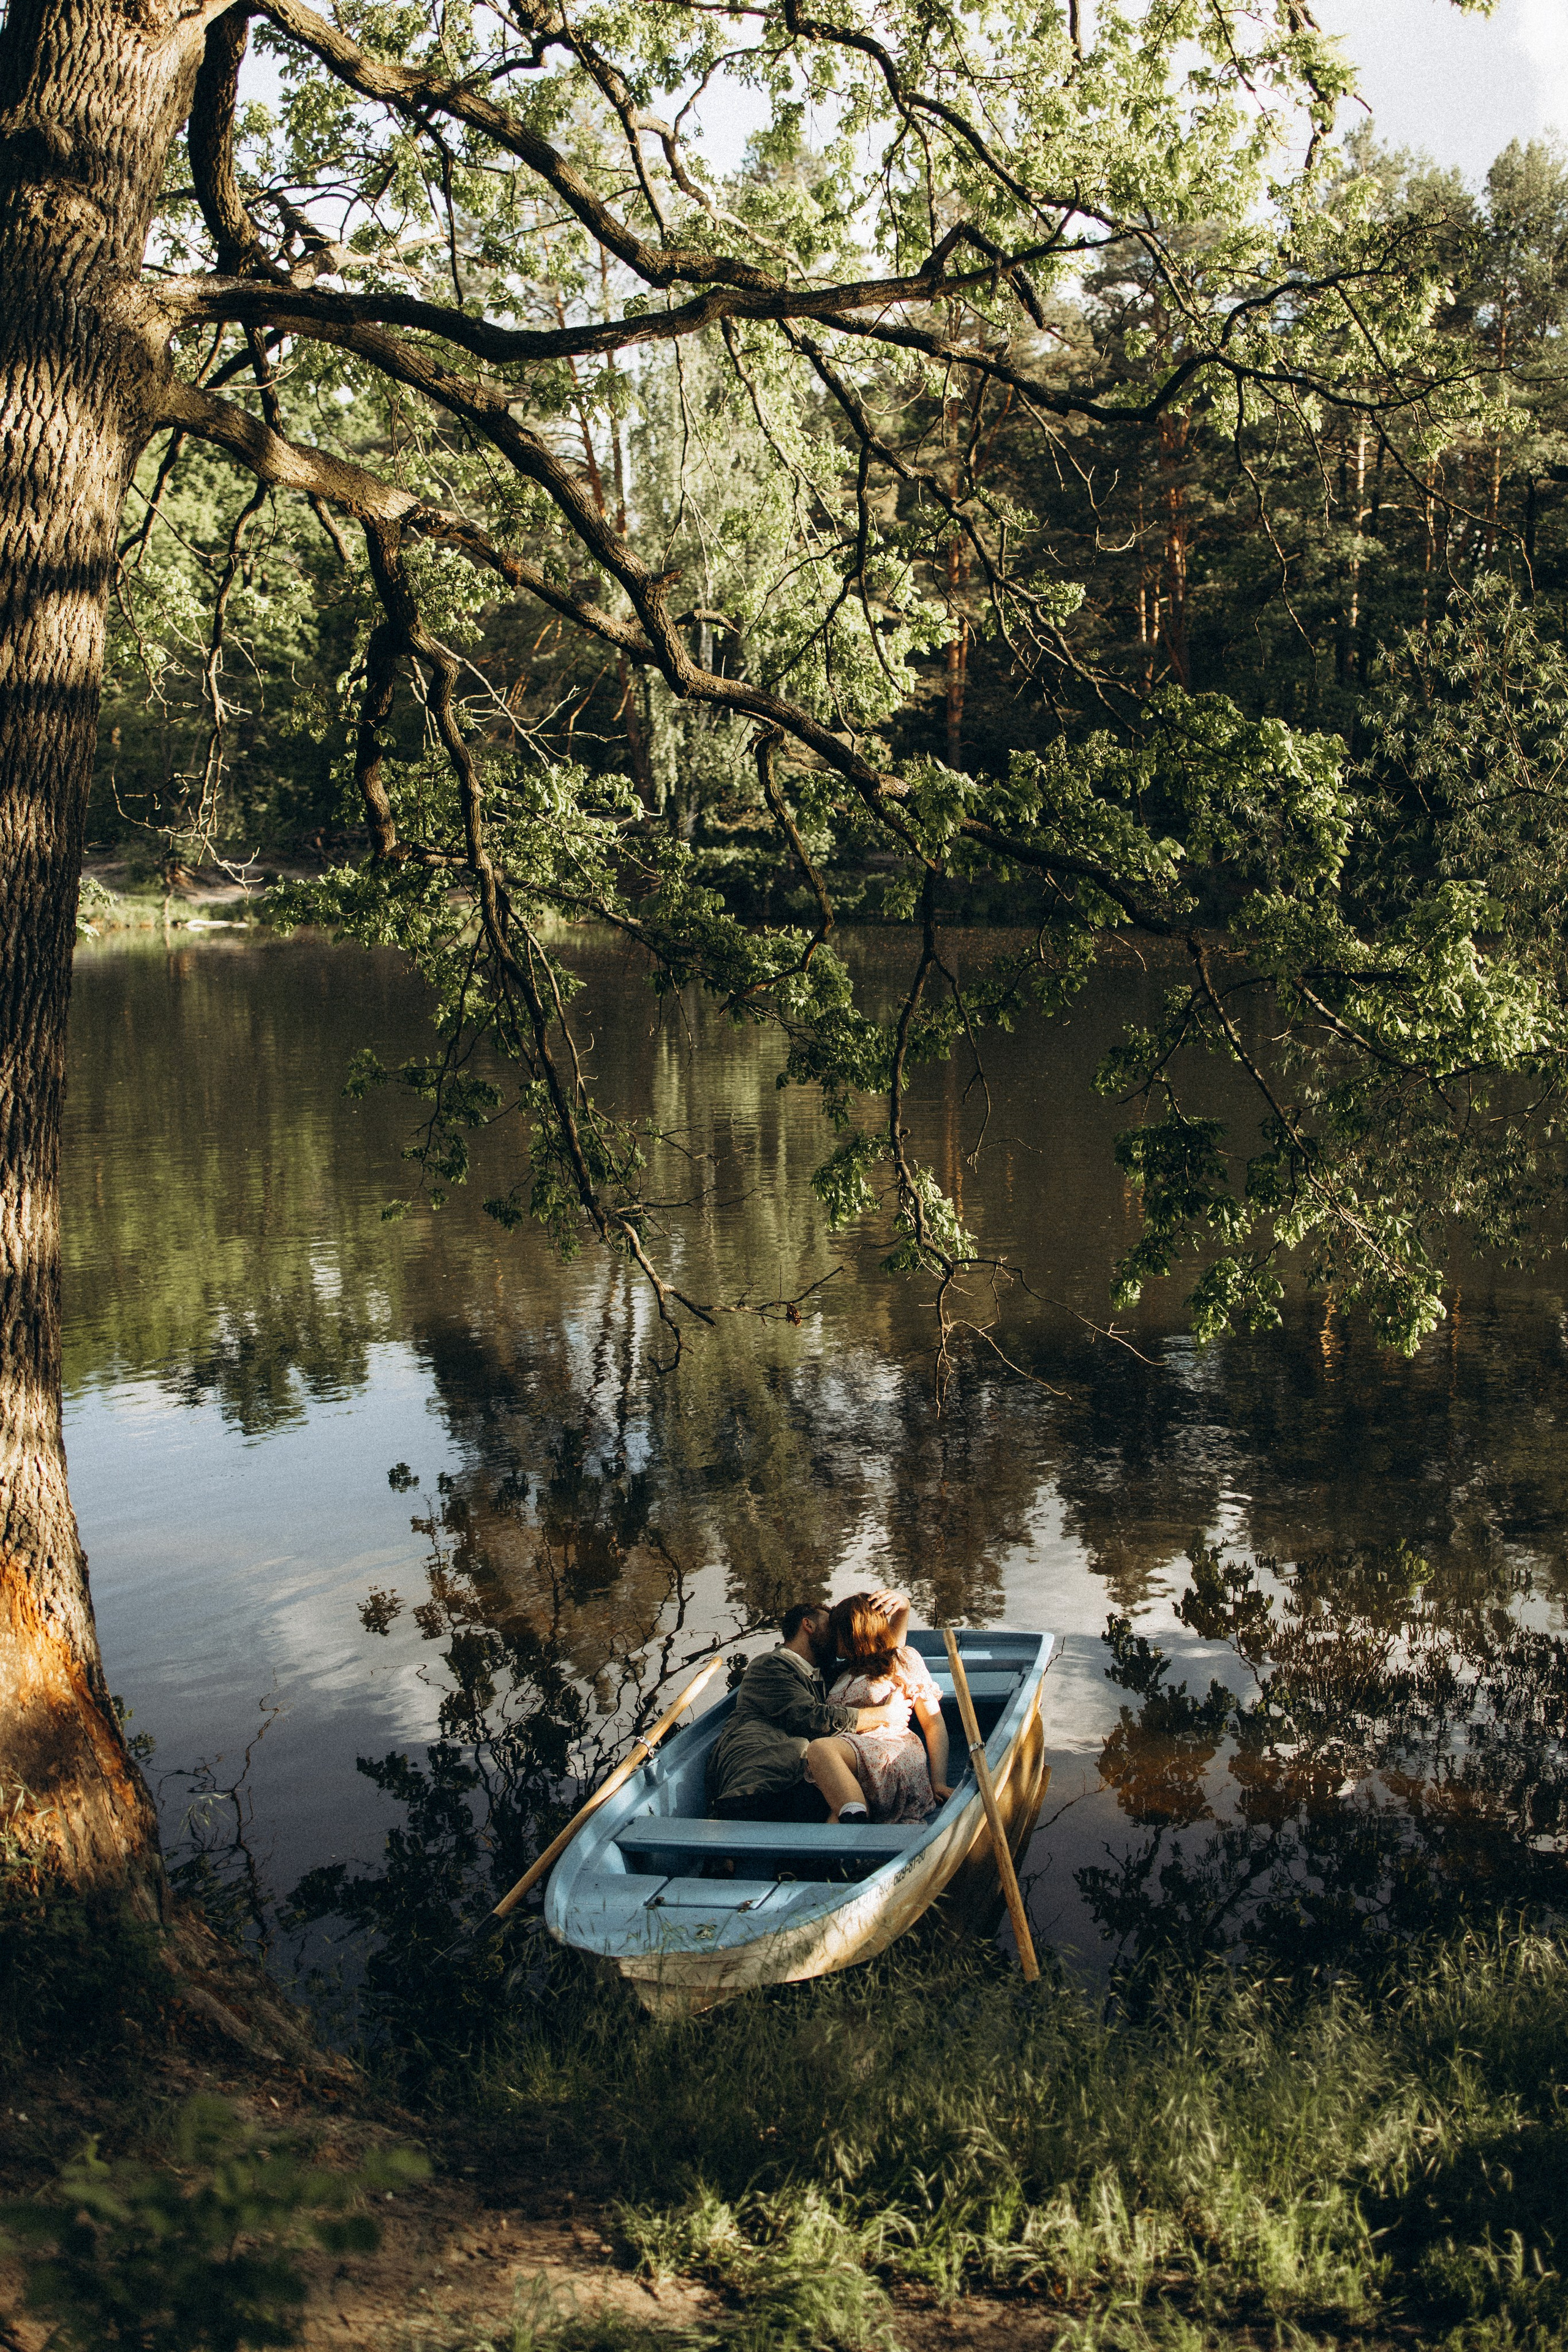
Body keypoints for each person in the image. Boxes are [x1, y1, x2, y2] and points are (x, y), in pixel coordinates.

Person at [707, 1597, 914, 1823]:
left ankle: (830, 1852)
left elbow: (886, 1654)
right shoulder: (769, 1666)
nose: (839, 1634)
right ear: (809, 1625)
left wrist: (903, 1609)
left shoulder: (825, 1673)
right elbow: (810, 1718)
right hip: (759, 1784)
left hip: (801, 1779)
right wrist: (885, 1715)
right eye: (832, 1626)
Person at [820, 1590, 953, 1824]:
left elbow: (933, 1723)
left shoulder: (900, 1660)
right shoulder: (841, 1674)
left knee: (820, 1749)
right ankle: (848, 1853)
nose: (832, 1638)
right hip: (854, 1762)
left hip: (889, 1751)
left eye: (836, 1632)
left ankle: (857, 1818)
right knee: (836, 1816)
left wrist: (938, 1781)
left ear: (853, 1633)